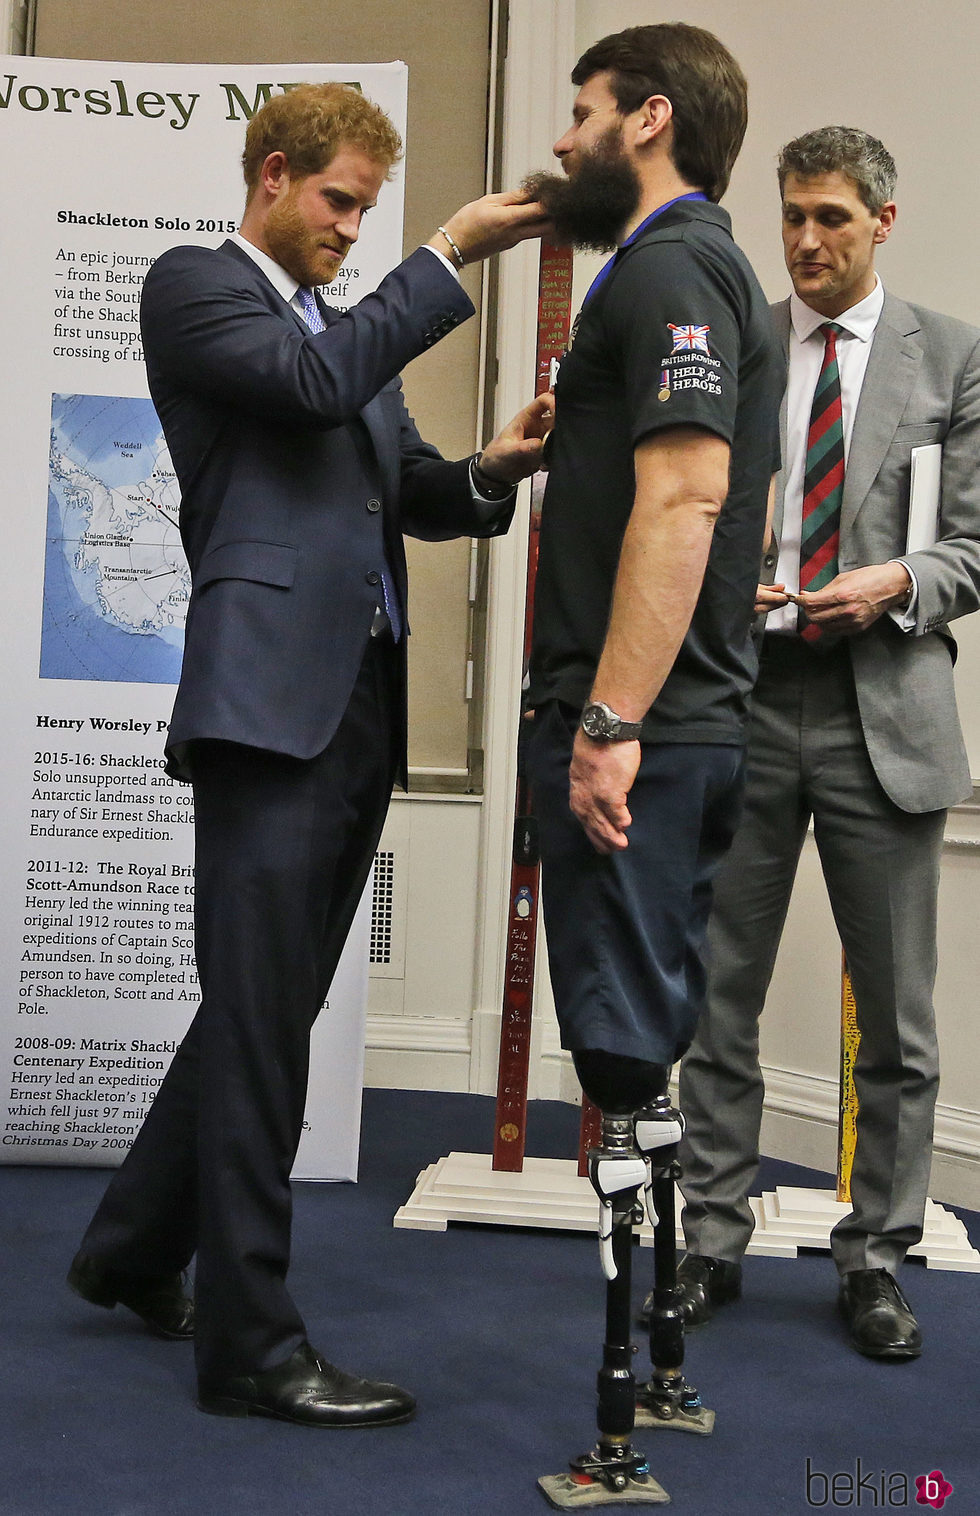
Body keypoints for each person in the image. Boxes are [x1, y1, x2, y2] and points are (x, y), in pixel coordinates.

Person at [66, 81, 551, 1427]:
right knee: (266, 1023)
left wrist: (498, 470)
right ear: (272, 176)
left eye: (370, 211)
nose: (351, 227)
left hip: (354, 714)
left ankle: (124, 1255)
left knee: (258, 1009)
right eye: (339, 201)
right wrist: (448, 254)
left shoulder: (339, 333)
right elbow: (314, 384)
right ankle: (253, 1349)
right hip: (267, 712)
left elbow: (410, 490)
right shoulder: (197, 289)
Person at [676, 126, 980, 1360]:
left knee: (896, 1025)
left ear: (882, 221)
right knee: (714, 999)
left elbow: (968, 545)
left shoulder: (950, 357)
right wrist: (719, 586)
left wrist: (895, 580)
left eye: (830, 221)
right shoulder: (734, 342)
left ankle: (875, 1258)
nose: (803, 242)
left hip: (880, 715)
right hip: (739, 703)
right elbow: (674, 508)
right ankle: (706, 1239)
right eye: (790, 217)